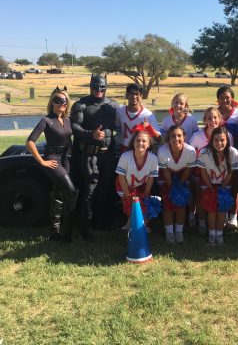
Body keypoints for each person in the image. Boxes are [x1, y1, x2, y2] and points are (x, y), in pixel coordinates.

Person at [26, 86, 78, 242]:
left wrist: (75, 154)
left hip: (65, 160)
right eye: (57, 100)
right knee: (71, 192)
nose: (61, 103)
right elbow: (30, 141)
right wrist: (42, 161)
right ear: (52, 102)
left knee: (58, 195)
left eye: (64, 100)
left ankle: (54, 233)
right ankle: (67, 233)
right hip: (53, 160)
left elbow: (69, 141)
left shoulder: (67, 120)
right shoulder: (46, 120)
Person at [70, 74, 119, 237]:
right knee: (90, 188)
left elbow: (121, 125)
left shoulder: (113, 105)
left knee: (106, 188)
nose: (99, 89)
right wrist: (91, 134)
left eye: (102, 86)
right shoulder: (81, 105)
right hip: (90, 154)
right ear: (90, 86)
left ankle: (102, 222)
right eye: (96, 86)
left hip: (108, 154)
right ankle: (86, 224)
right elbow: (74, 126)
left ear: (106, 87)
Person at [189, 107, 234, 233]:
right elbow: (191, 153)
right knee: (201, 197)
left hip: (222, 173)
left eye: (215, 117)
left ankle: (222, 221)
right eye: (209, 118)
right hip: (202, 172)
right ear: (205, 120)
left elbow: (230, 155)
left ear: (219, 119)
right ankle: (202, 222)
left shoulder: (227, 135)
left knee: (221, 196)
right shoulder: (197, 136)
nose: (212, 120)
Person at [197, 126, 238, 246]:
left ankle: (219, 235)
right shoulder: (204, 152)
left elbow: (230, 172)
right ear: (211, 140)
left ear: (227, 140)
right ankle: (211, 234)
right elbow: (203, 172)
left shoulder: (233, 152)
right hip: (208, 185)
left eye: (222, 140)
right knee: (211, 210)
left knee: (221, 210)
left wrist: (222, 189)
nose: (219, 143)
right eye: (216, 140)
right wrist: (211, 189)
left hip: (224, 186)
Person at [158, 125, 197, 243]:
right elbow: (165, 172)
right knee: (168, 204)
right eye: (172, 136)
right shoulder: (162, 151)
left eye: (179, 135)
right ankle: (169, 232)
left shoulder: (190, 151)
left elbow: (188, 170)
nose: (176, 138)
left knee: (181, 204)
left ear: (184, 137)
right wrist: (171, 189)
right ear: (168, 139)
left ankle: (179, 231)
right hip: (166, 178)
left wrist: (179, 186)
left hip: (183, 177)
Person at [115, 126, 159, 230]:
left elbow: (151, 179)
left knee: (144, 205)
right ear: (133, 143)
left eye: (144, 141)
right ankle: (131, 225)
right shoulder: (125, 156)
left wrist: (146, 195)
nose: (140, 143)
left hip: (141, 186)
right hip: (124, 185)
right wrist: (128, 196)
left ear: (149, 144)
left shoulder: (153, 159)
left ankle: (137, 225)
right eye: (137, 140)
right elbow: (121, 178)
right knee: (131, 206)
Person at [216, 86, 238, 228]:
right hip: (218, 157)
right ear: (218, 99)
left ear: (232, 98)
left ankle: (234, 217)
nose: (225, 100)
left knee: (234, 186)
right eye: (221, 97)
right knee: (221, 186)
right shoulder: (214, 113)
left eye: (227, 97)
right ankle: (223, 214)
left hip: (234, 155)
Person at [115, 83, 160, 152]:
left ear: (141, 96)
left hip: (142, 150)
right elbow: (117, 128)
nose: (134, 96)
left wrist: (149, 128)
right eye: (131, 93)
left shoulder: (148, 115)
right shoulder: (119, 111)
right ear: (127, 95)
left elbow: (159, 139)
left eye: (137, 94)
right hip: (124, 149)